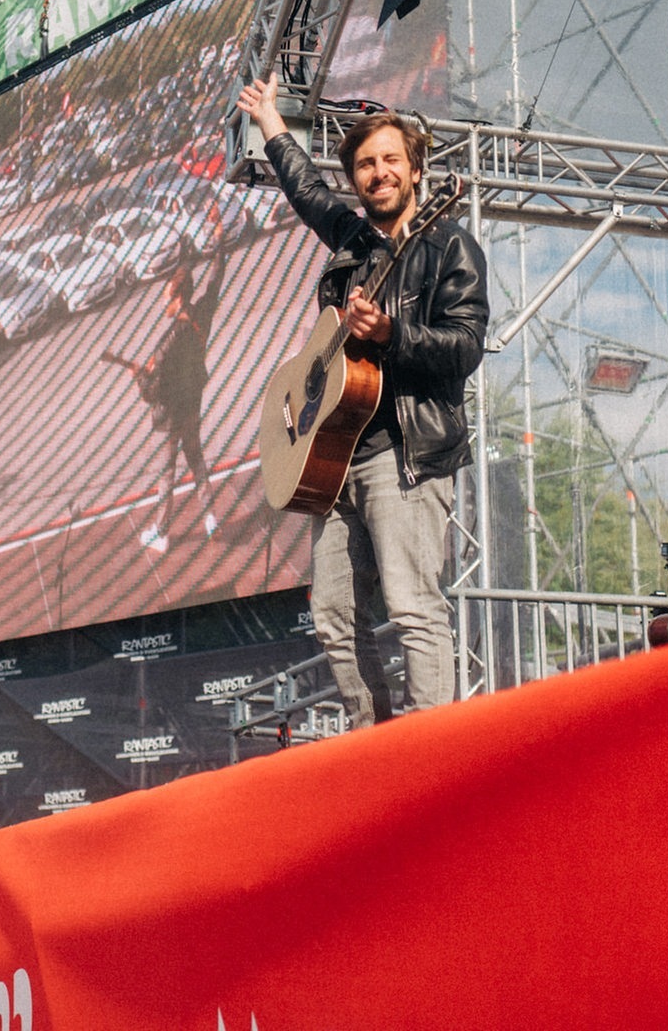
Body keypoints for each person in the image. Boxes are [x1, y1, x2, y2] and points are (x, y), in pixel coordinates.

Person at [236, 76, 489, 727]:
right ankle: (373, 749)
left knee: (411, 606)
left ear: (415, 171)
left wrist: (392, 332)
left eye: (390, 161)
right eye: (366, 165)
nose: (378, 173)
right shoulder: (351, 242)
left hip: (404, 455)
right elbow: (303, 188)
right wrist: (269, 120)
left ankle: (431, 752)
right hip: (335, 459)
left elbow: (463, 348)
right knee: (333, 619)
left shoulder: (448, 245)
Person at [130, 242, 227, 553]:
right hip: (193, 402)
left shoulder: (167, 342)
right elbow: (216, 276)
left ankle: (161, 531)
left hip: (173, 413)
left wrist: (140, 377)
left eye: (164, 297)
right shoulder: (201, 313)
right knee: (196, 458)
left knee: (168, 471)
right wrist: (219, 236)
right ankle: (211, 517)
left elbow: (152, 393)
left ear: (176, 297)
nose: (162, 303)